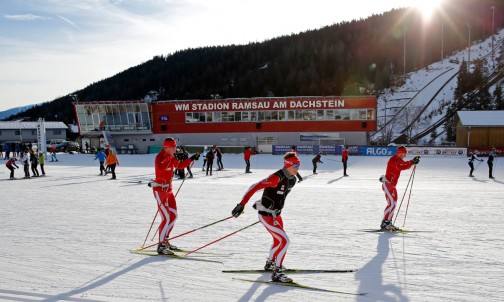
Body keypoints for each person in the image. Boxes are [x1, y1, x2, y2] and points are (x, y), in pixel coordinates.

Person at [231, 152, 300, 283]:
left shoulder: (292, 180)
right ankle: (277, 272)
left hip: (276, 214)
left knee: (278, 240)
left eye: (299, 165)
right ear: (288, 165)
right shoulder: (276, 178)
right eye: (295, 165)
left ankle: (270, 263)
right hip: (266, 215)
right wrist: (241, 205)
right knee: (285, 241)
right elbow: (254, 187)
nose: (298, 168)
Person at [151, 137, 200, 255]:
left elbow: (180, 166)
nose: (175, 149)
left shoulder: (171, 156)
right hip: (159, 190)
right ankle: (161, 246)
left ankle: (166, 241)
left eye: (175, 146)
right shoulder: (160, 157)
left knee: (173, 215)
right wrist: (170, 159)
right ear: (166, 147)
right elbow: (160, 167)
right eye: (173, 147)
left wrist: (191, 159)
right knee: (166, 217)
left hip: (169, 190)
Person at [379, 146, 419, 231]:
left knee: (394, 204)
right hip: (387, 184)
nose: (405, 156)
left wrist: (413, 162)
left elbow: (404, 165)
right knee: (391, 204)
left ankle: (388, 222)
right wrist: (412, 162)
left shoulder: (399, 160)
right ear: (400, 153)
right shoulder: (393, 160)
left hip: (392, 186)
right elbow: (401, 166)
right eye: (404, 154)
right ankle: (385, 223)